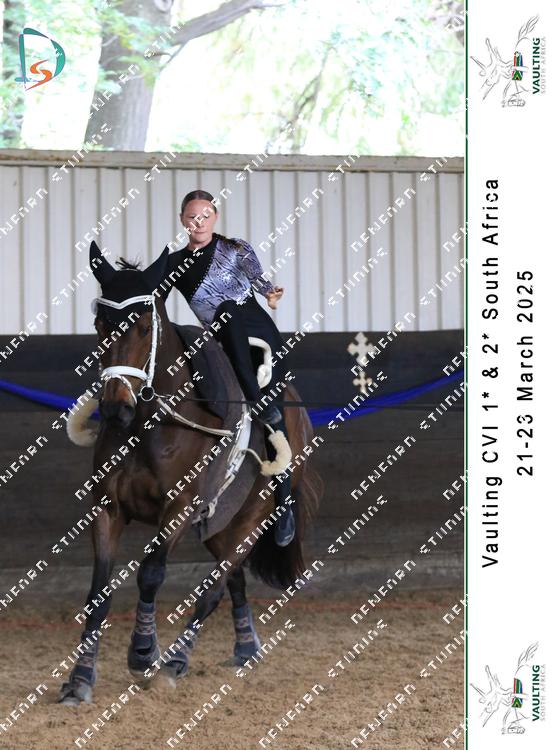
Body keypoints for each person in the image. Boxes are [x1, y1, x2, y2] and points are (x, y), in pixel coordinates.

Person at [162, 189, 295, 546]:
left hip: (255, 335)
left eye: (205, 215)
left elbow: (259, 278)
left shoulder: (235, 248)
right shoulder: (175, 263)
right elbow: (151, 296)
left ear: (215, 218)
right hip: (219, 344)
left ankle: (285, 505)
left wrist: (270, 293)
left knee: (227, 310)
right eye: (192, 217)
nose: (199, 222)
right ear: (182, 221)